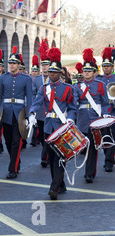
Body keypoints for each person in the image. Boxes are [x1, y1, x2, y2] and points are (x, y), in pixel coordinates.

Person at [29, 47, 77, 200]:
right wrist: (31, 113)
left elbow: (72, 108)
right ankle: (60, 184)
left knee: (60, 157)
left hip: (62, 127)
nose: (51, 75)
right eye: (49, 72)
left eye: (54, 73)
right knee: (51, 157)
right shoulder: (44, 89)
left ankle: (54, 187)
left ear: (60, 74)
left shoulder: (68, 88)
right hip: (49, 126)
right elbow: (36, 103)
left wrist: (70, 118)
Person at [0, 46, 33, 179]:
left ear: (19, 64)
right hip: (6, 113)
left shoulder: (26, 78)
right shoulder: (3, 78)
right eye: (10, 63)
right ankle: (16, 161)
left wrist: (29, 115)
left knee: (16, 142)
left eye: (14, 63)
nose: (11, 65)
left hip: (19, 113)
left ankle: (13, 169)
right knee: (8, 141)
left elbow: (29, 98)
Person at [73, 48, 110, 183]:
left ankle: (89, 173)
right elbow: (75, 103)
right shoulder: (77, 86)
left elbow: (105, 103)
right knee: (86, 147)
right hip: (82, 119)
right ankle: (89, 171)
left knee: (93, 147)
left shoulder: (100, 85)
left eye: (89, 71)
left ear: (94, 72)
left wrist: (105, 115)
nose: (86, 73)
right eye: (85, 71)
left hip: (95, 119)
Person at [32, 39, 50, 166]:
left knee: (48, 135)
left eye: (46, 64)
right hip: (40, 111)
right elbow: (33, 94)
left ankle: (45, 157)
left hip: (50, 111)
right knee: (43, 137)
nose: (44, 67)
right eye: (42, 65)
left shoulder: (54, 78)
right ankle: (46, 151)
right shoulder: (37, 79)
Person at [99, 47, 115, 171]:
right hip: (103, 111)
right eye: (104, 66)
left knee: (113, 135)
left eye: (108, 66)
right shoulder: (99, 80)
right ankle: (108, 156)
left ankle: (109, 161)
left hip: (114, 110)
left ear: (112, 67)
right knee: (105, 136)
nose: (106, 68)